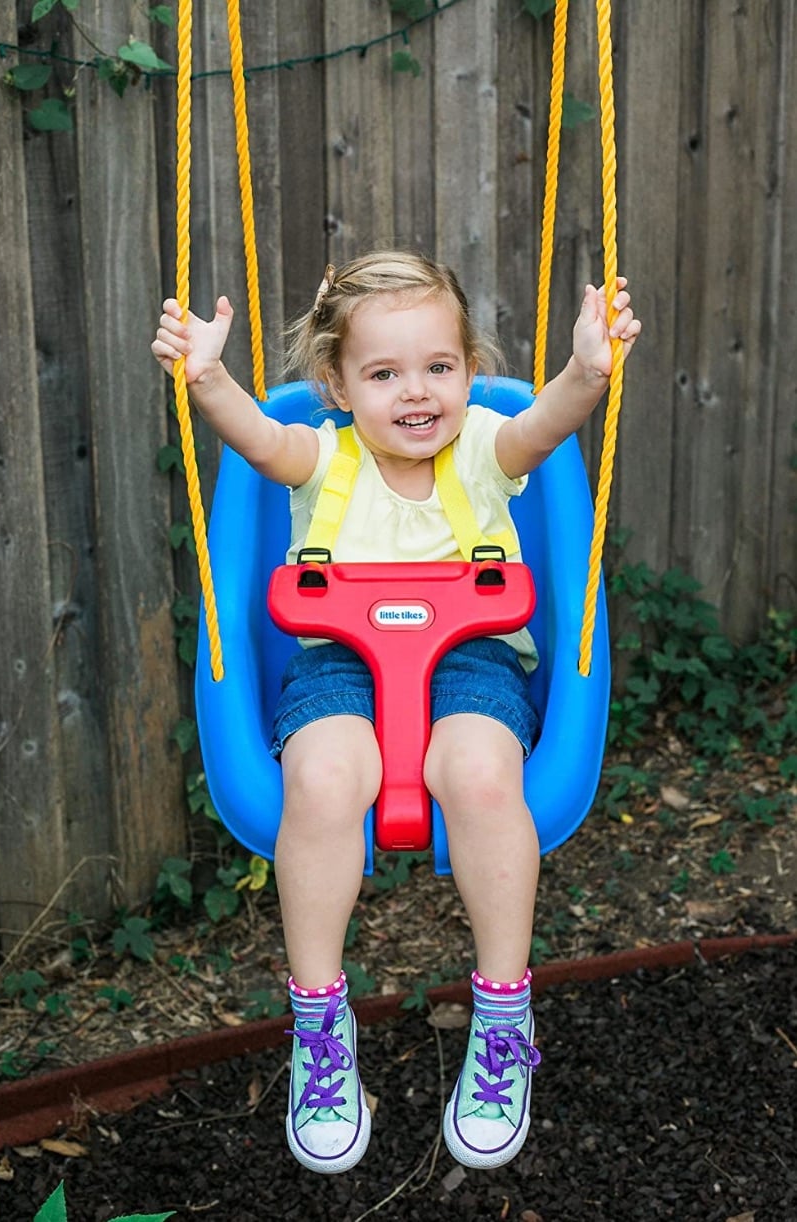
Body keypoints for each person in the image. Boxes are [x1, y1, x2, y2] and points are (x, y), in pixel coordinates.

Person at [152, 251, 641, 1175]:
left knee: (483, 774)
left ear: (468, 369)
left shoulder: (486, 450)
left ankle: (503, 1016)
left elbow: (546, 424)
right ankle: (318, 1024)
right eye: (383, 375)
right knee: (322, 777)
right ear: (339, 388)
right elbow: (257, 440)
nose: (416, 392)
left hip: (471, 665)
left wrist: (586, 370)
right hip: (339, 670)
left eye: (438, 367)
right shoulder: (320, 457)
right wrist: (208, 378)